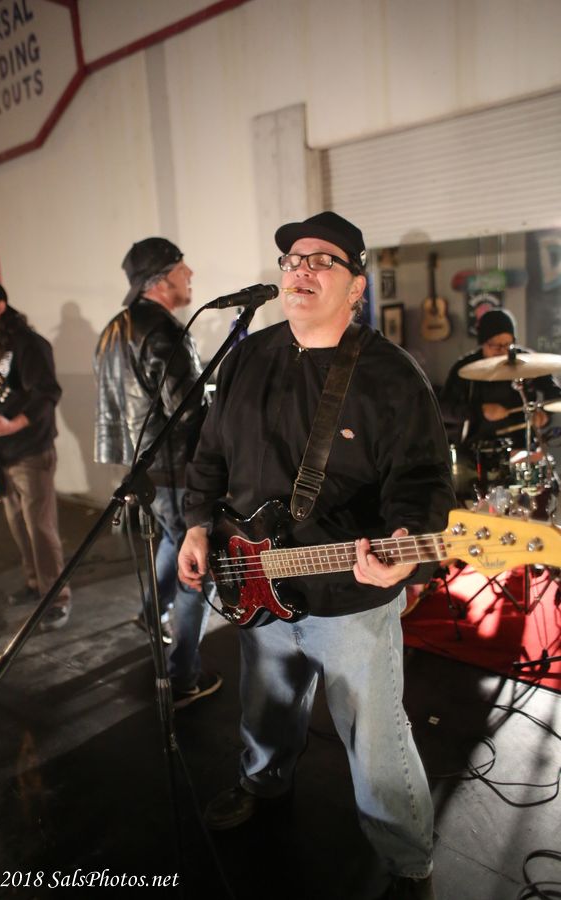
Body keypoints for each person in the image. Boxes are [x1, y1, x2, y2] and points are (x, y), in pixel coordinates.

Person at [177, 211, 455, 899]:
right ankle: (263, 783)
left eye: (322, 260)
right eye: (293, 259)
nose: (301, 269)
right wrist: (196, 526)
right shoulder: (246, 357)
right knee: (264, 704)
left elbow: (422, 482)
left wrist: (404, 549)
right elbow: (210, 452)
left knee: (375, 737)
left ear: (356, 286)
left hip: (349, 594)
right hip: (255, 577)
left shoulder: (391, 375)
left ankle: (408, 859)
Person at [94, 237, 222, 709]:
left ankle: (150, 616)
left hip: (143, 469)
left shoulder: (114, 329)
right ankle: (183, 678)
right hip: (178, 468)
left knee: (172, 539)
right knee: (197, 566)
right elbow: (187, 412)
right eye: (183, 269)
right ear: (162, 279)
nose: (191, 276)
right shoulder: (164, 330)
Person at [0, 279, 71, 631]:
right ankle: (34, 583)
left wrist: (13, 425)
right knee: (18, 525)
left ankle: (57, 598)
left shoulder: (27, 345)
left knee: (40, 527)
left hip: (30, 451)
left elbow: (47, 393)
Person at [440, 308, 561, 448]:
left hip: (523, 446)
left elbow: (555, 394)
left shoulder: (527, 361)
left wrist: (545, 414)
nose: (502, 350)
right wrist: (478, 411)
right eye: (495, 345)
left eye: (507, 344)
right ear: (483, 342)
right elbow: (443, 410)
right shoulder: (464, 366)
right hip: (476, 448)